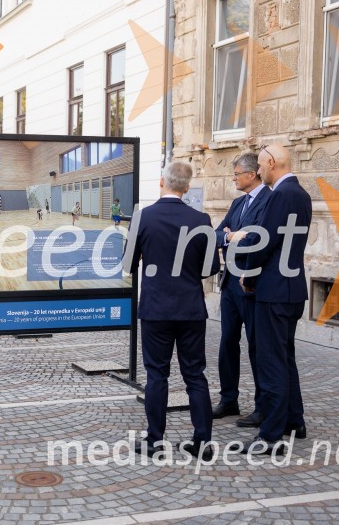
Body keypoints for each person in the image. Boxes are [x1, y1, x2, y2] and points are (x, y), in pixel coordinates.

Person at [130, 161, 220, 461]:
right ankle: (203, 442)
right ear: (186, 187)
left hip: (156, 309)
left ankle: (155, 440)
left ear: (161, 182)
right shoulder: (202, 220)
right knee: (195, 375)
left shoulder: (143, 218)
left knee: (157, 375)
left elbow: (128, 264)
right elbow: (211, 268)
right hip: (191, 308)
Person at [239, 144, 311, 455]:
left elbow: (265, 241)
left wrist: (248, 274)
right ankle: (295, 420)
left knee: (272, 363)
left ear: (270, 162)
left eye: (260, 165)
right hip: (291, 288)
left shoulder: (282, 194)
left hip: (275, 289)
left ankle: (271, 436)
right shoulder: (301, 194)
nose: (259, 170)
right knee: (285, 357)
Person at [211, 153, 272, 429]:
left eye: (236, 174)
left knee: (257, 346)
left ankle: (263, 406)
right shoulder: (237, 203)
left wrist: (237, 235)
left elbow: (259, 237)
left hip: (253, 284)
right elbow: (215, 234)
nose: (233, 178)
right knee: (227, 343)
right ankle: (229, 399)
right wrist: (229, 235)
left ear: (251, 174)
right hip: (230, 285)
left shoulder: (269, 200)